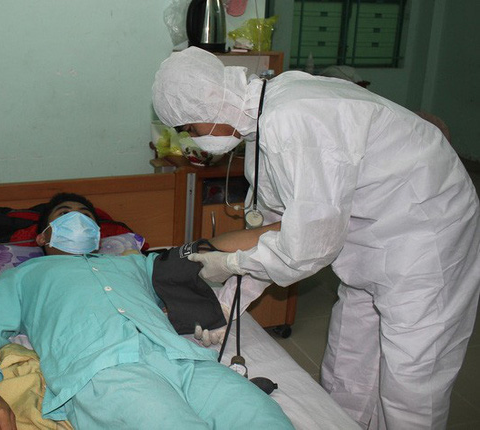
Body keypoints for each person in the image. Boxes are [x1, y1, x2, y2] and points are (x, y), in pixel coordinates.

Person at [151, 46, 480, 430]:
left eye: (191, 129)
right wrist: (225, 305)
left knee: (411, 378)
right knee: (348, 359)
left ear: (210, 102)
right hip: (371, 235)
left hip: (428, 234)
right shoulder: (263, 122)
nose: (193, 140)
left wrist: (231, 263)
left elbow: (306, 247)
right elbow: (273, 228)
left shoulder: (293, 119)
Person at [0, 192, 294, 430]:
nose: (77, 219)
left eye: (86, 216)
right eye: (64, 214)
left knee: (264, 417)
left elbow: (205, 251)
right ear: (42, 237)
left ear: (98, 235)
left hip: (185, 360)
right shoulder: (22, 276)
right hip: (104, 372)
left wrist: (281, 231)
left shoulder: (134, 264)